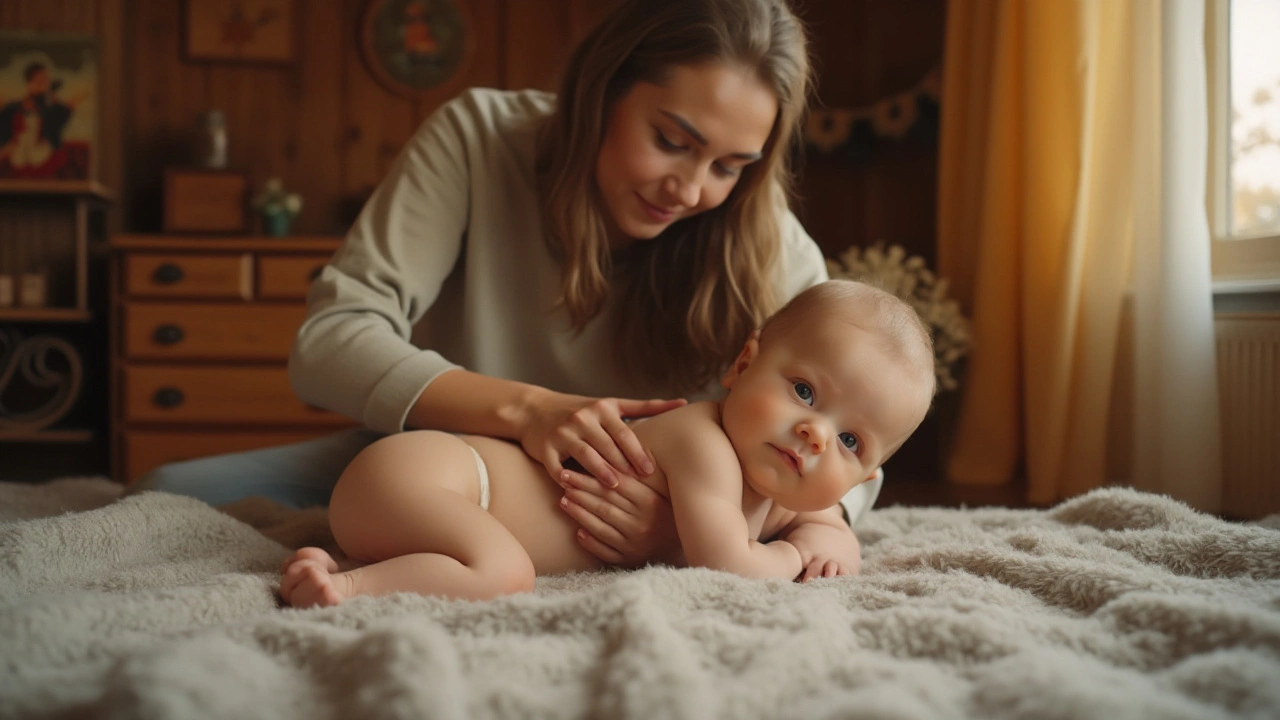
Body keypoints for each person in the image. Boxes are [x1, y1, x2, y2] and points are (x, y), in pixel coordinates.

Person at [134, 0, 884, 570]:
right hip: (456, 458)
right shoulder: (478, 138)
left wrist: (697, 528)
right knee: (168, 489)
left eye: (728, 165)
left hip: (640, 498)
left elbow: (859, 434)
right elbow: (330, 344)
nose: (689, 188)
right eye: (671, 141)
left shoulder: (759, 226)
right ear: (604, 90)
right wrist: (531, 412)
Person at [280, 280, 934, 607]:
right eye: (805, 392)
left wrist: (831, 535)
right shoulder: (705, 444)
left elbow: (823, 520)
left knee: (483, 558)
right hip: (448, 476)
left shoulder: (779, 480)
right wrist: (795, 555)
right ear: (742, 366)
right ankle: (351, 592)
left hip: (426, 506)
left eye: (850, 441)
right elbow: (731, 569)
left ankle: (336, 560)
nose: (815, 434)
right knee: (507, 574)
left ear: (864, 475)